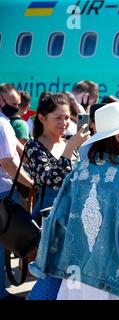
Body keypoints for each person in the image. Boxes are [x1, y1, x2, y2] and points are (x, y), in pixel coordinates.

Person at [29, 101, 119, 300]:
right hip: (115, 284)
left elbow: (55, 225)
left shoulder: (78, 173)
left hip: (73, 280)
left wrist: (42, 265)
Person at [26, 93, 90, 300]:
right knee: (52, 272)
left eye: (67, 117)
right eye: (58, 118)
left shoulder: (72, 141)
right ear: (42, 118)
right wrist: (71, 148)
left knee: (73, 273)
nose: (64, 123)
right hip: (50, 217)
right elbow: (50, 179)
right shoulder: (34, 147)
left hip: (76, 214)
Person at [0, 83, 34, 301]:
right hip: (3, 191)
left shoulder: (6, 123)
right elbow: (8, 162)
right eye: (13, 104)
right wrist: (31, 183)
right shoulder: (2, 124)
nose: (18, 109)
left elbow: (19, 149)